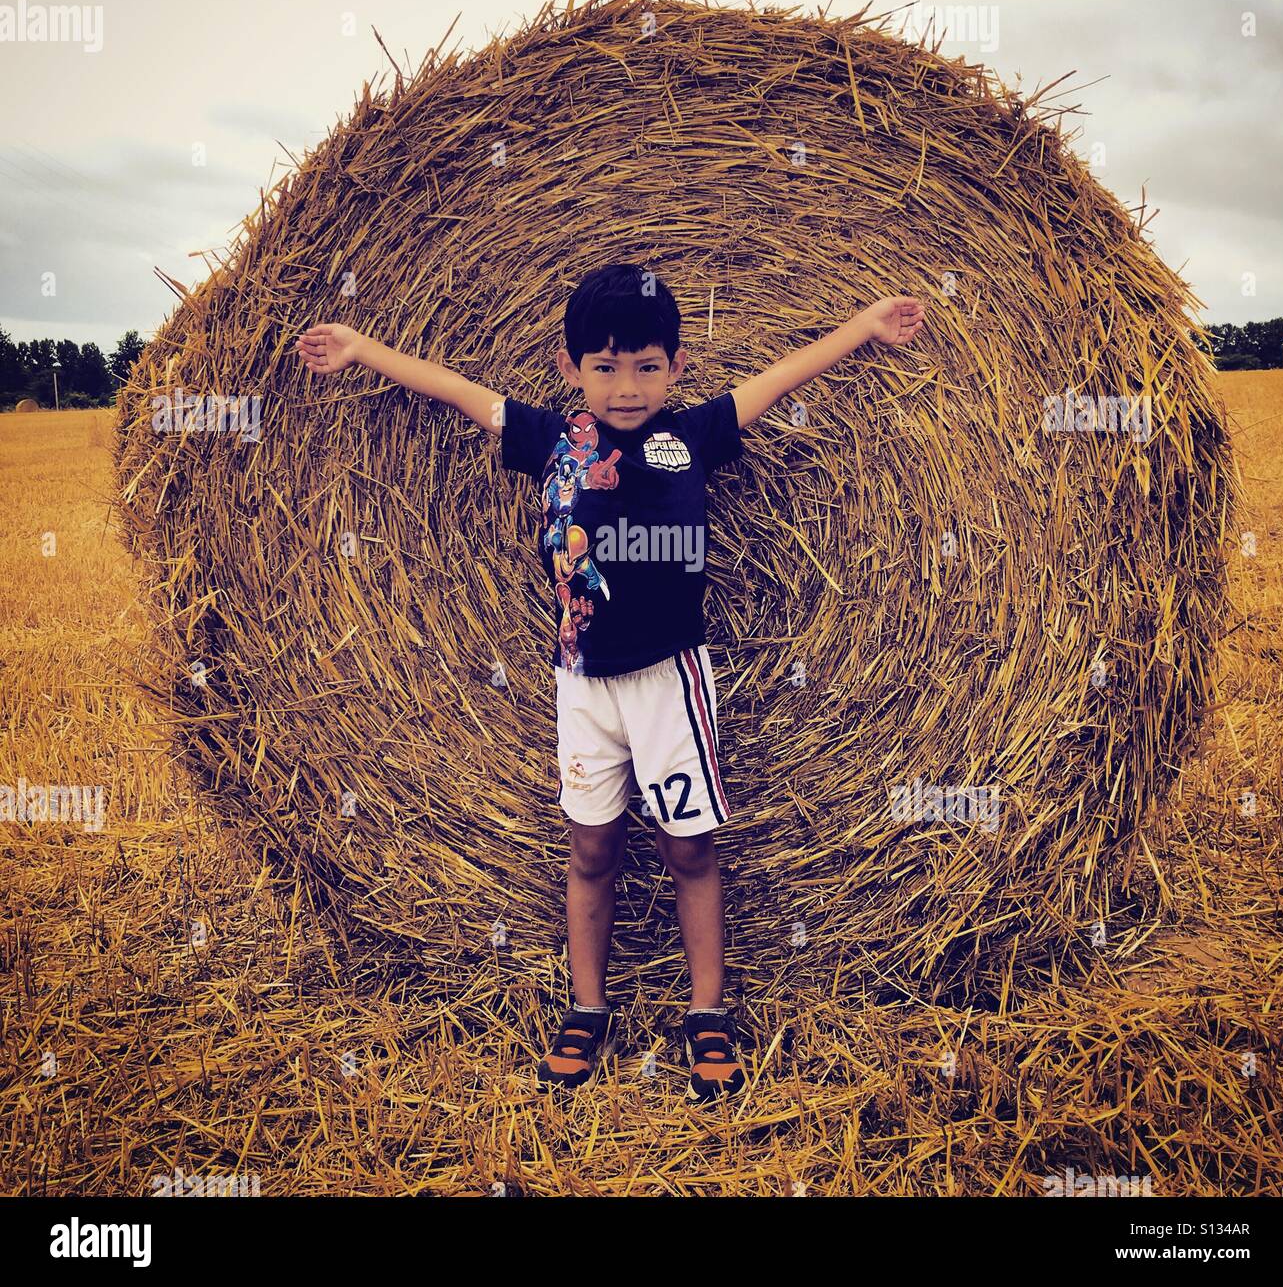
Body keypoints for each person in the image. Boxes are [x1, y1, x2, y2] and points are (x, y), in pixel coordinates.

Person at [296, 262, 925, 1104]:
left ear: (676, 367)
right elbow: (455, 391)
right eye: (604, 366)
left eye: (647, 367)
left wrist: (864, 324)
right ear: (571, 369)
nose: (626, 386)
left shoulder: (691, 436)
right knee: (590, 847)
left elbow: (781, 376)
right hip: (582, 685)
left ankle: (707, 1014)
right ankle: (587, 1008)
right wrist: (362, 347)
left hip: (670, 681)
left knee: (688, 847)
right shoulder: (554, 441)